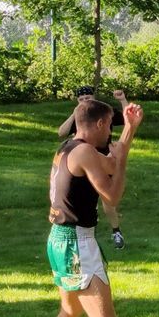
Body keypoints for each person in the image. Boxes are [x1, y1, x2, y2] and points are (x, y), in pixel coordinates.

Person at [40, 98, 144, 317]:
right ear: (99, 124)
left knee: (69, 310)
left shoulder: (70, 148)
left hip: (57, 238)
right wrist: (123, 161)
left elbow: (109, 163)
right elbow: (111, 192)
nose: (111, 131)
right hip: (77, 242)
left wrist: (129, 130)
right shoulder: (86, 152)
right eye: (111, 124)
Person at [58, 86, 128, 248]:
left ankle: (115, 230)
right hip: (83, 163)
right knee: (93, 197)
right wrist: (76, 113)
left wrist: (123, 101)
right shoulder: (81, 125)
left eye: (88, 98)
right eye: (82, 100)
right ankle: (90, 231)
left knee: (106, 201)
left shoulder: (101, 112)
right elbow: (61, 132)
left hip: (102, 161)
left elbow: (126, 119)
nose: (85, 102)